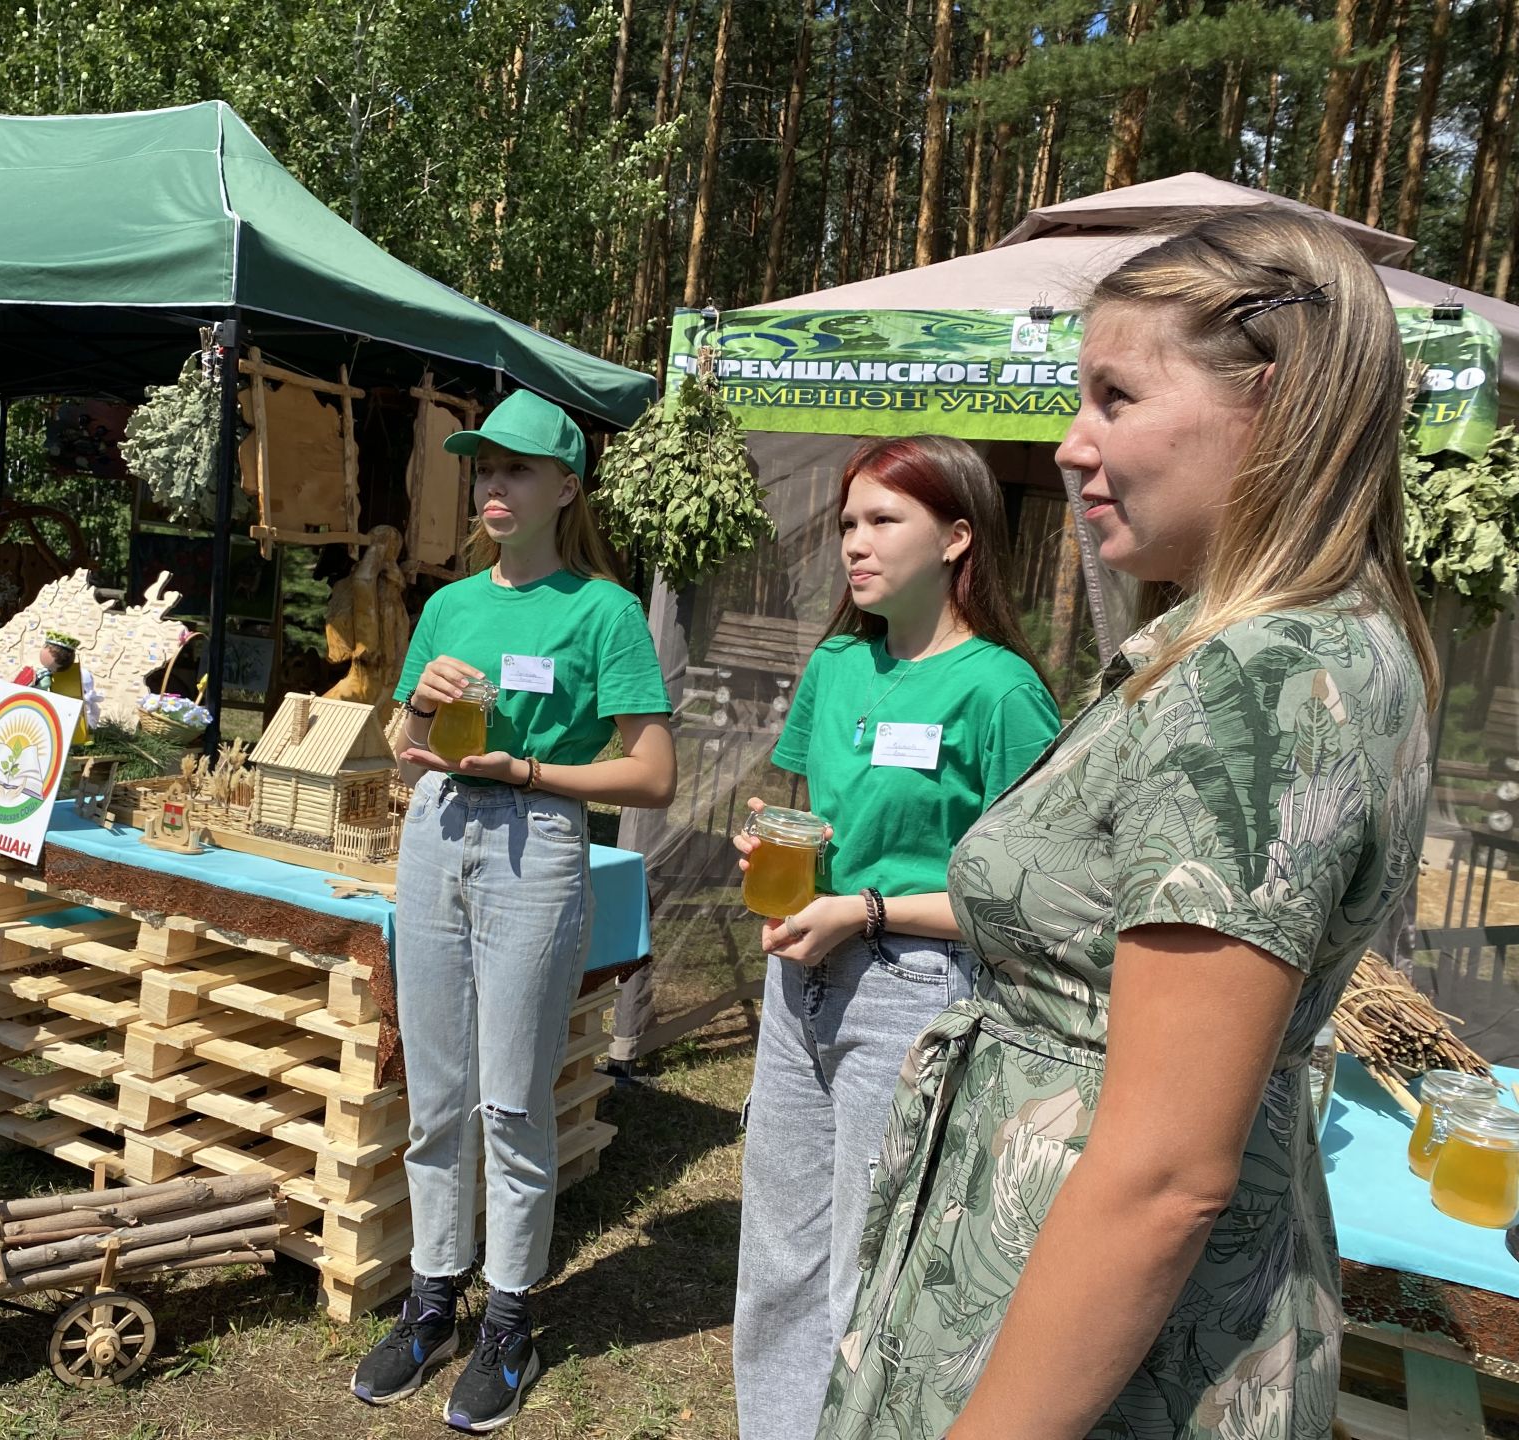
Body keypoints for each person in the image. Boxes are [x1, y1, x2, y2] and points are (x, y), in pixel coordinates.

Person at [817, 208, 1437, 1440]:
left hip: (1091, 1360)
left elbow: (1161, 1177)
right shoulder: (1292, 645)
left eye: (1113, 395)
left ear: (1278, 402)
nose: (1070, 444)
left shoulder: (1265, 676)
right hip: (1068, 1308)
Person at [351, 389, 676, 1432]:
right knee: (436, 1090)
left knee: (512, 1100)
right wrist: (419, 705)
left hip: (536, 843)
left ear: (566, 487)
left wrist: (530, 767)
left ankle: (512, 1319)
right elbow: (406, 744)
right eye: (484, 468)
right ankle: (434, 1297)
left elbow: (654, 774)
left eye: (519, 470)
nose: (494, 486)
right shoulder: (448, 605)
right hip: (438, 830)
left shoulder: (603, 611)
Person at [730, 436, 1059, 1440]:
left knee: (870, 1272)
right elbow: (824, 820)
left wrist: (867, 911)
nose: (853, 546)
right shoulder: (836, 665)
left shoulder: (1002, 692)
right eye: (845, 525)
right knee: (778, 1256)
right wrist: (778, 854)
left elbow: (1032, 901)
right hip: (803, 983)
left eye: (883, 521)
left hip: (918, 992)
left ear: (959, 536)